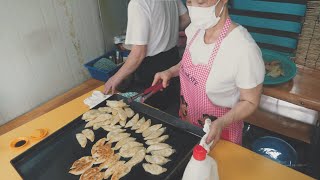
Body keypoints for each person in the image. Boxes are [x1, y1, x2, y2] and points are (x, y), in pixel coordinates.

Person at [152, 0, 265, 147]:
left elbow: (250, 101)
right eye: (189, 2)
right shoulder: (194, 30)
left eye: (200, 2)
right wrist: (171, 71)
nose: (193, 9)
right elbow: (189, 62)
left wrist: (221, 123)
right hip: (187, 124)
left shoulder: (243, 48)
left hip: (220, 134)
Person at [104, 0, 190, 110]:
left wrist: (115, 78)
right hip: (173, 60)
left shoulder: (138, 4)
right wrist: (165, 32)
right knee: (171, 108)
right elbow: (186, 19)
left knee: (153, 113)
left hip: (152, 69)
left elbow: (138, 53)